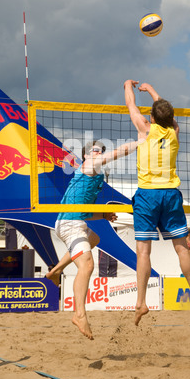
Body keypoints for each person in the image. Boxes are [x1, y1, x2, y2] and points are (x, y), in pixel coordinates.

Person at [124, 79, 190, 326]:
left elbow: (130, 103)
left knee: (143, 251)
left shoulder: (145, 129)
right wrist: (152, 91)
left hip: (148, 194)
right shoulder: (174, 133)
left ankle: (141, 302)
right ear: (171, 119)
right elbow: (167, 115)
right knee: (182, 247)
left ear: (151, 117)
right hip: (170, 193)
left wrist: (128, 85)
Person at [46, 139, 139, 340]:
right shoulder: (88, 165)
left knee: (94, 238)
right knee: (87, 266)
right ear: (86, 155)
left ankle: (56, 270)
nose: (98, 153)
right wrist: (141, 140)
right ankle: (79, 315)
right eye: (95, 151)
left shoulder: (94, 175)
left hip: (73, 220)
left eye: (100, 151)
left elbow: (85, 212)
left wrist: (103, 215)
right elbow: (119, 152)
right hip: (70, 223)